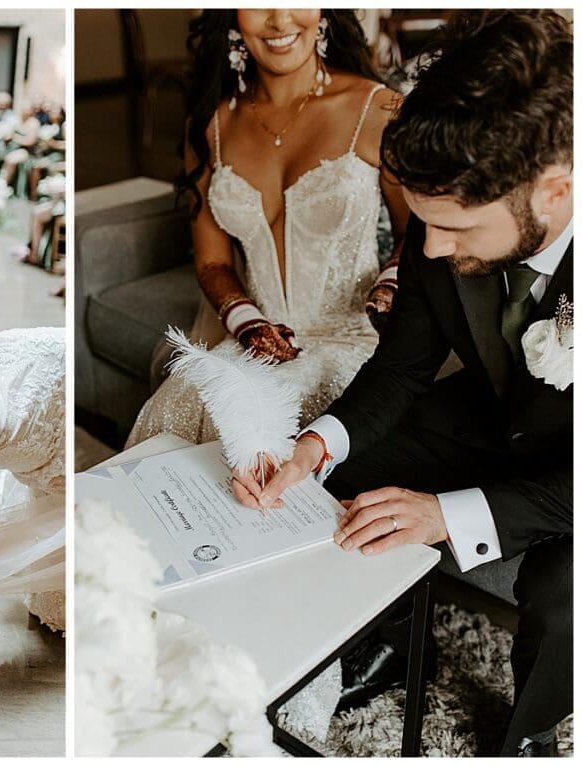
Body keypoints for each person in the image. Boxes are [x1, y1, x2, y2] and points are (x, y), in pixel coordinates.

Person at [231, 11, 571, 756]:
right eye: (425, 226)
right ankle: (369, 641)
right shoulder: (438, 215)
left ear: (553, 189)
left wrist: (444, 514)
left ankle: (534, 736)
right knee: (336, 477)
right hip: (492, 418)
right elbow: (401, 365)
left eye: (458, 229)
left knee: (563, 599)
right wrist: (311, 448)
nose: (434, 249)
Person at [127, 10, 409, 448]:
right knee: (181, 414)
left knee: (263, 440)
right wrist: (249, 325)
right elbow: (213, 259)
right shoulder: (210, 127)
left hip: (354, 344)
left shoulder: (379, 109)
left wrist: (390, 285)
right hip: (254, 345)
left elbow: (421, 231)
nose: (279, 19)